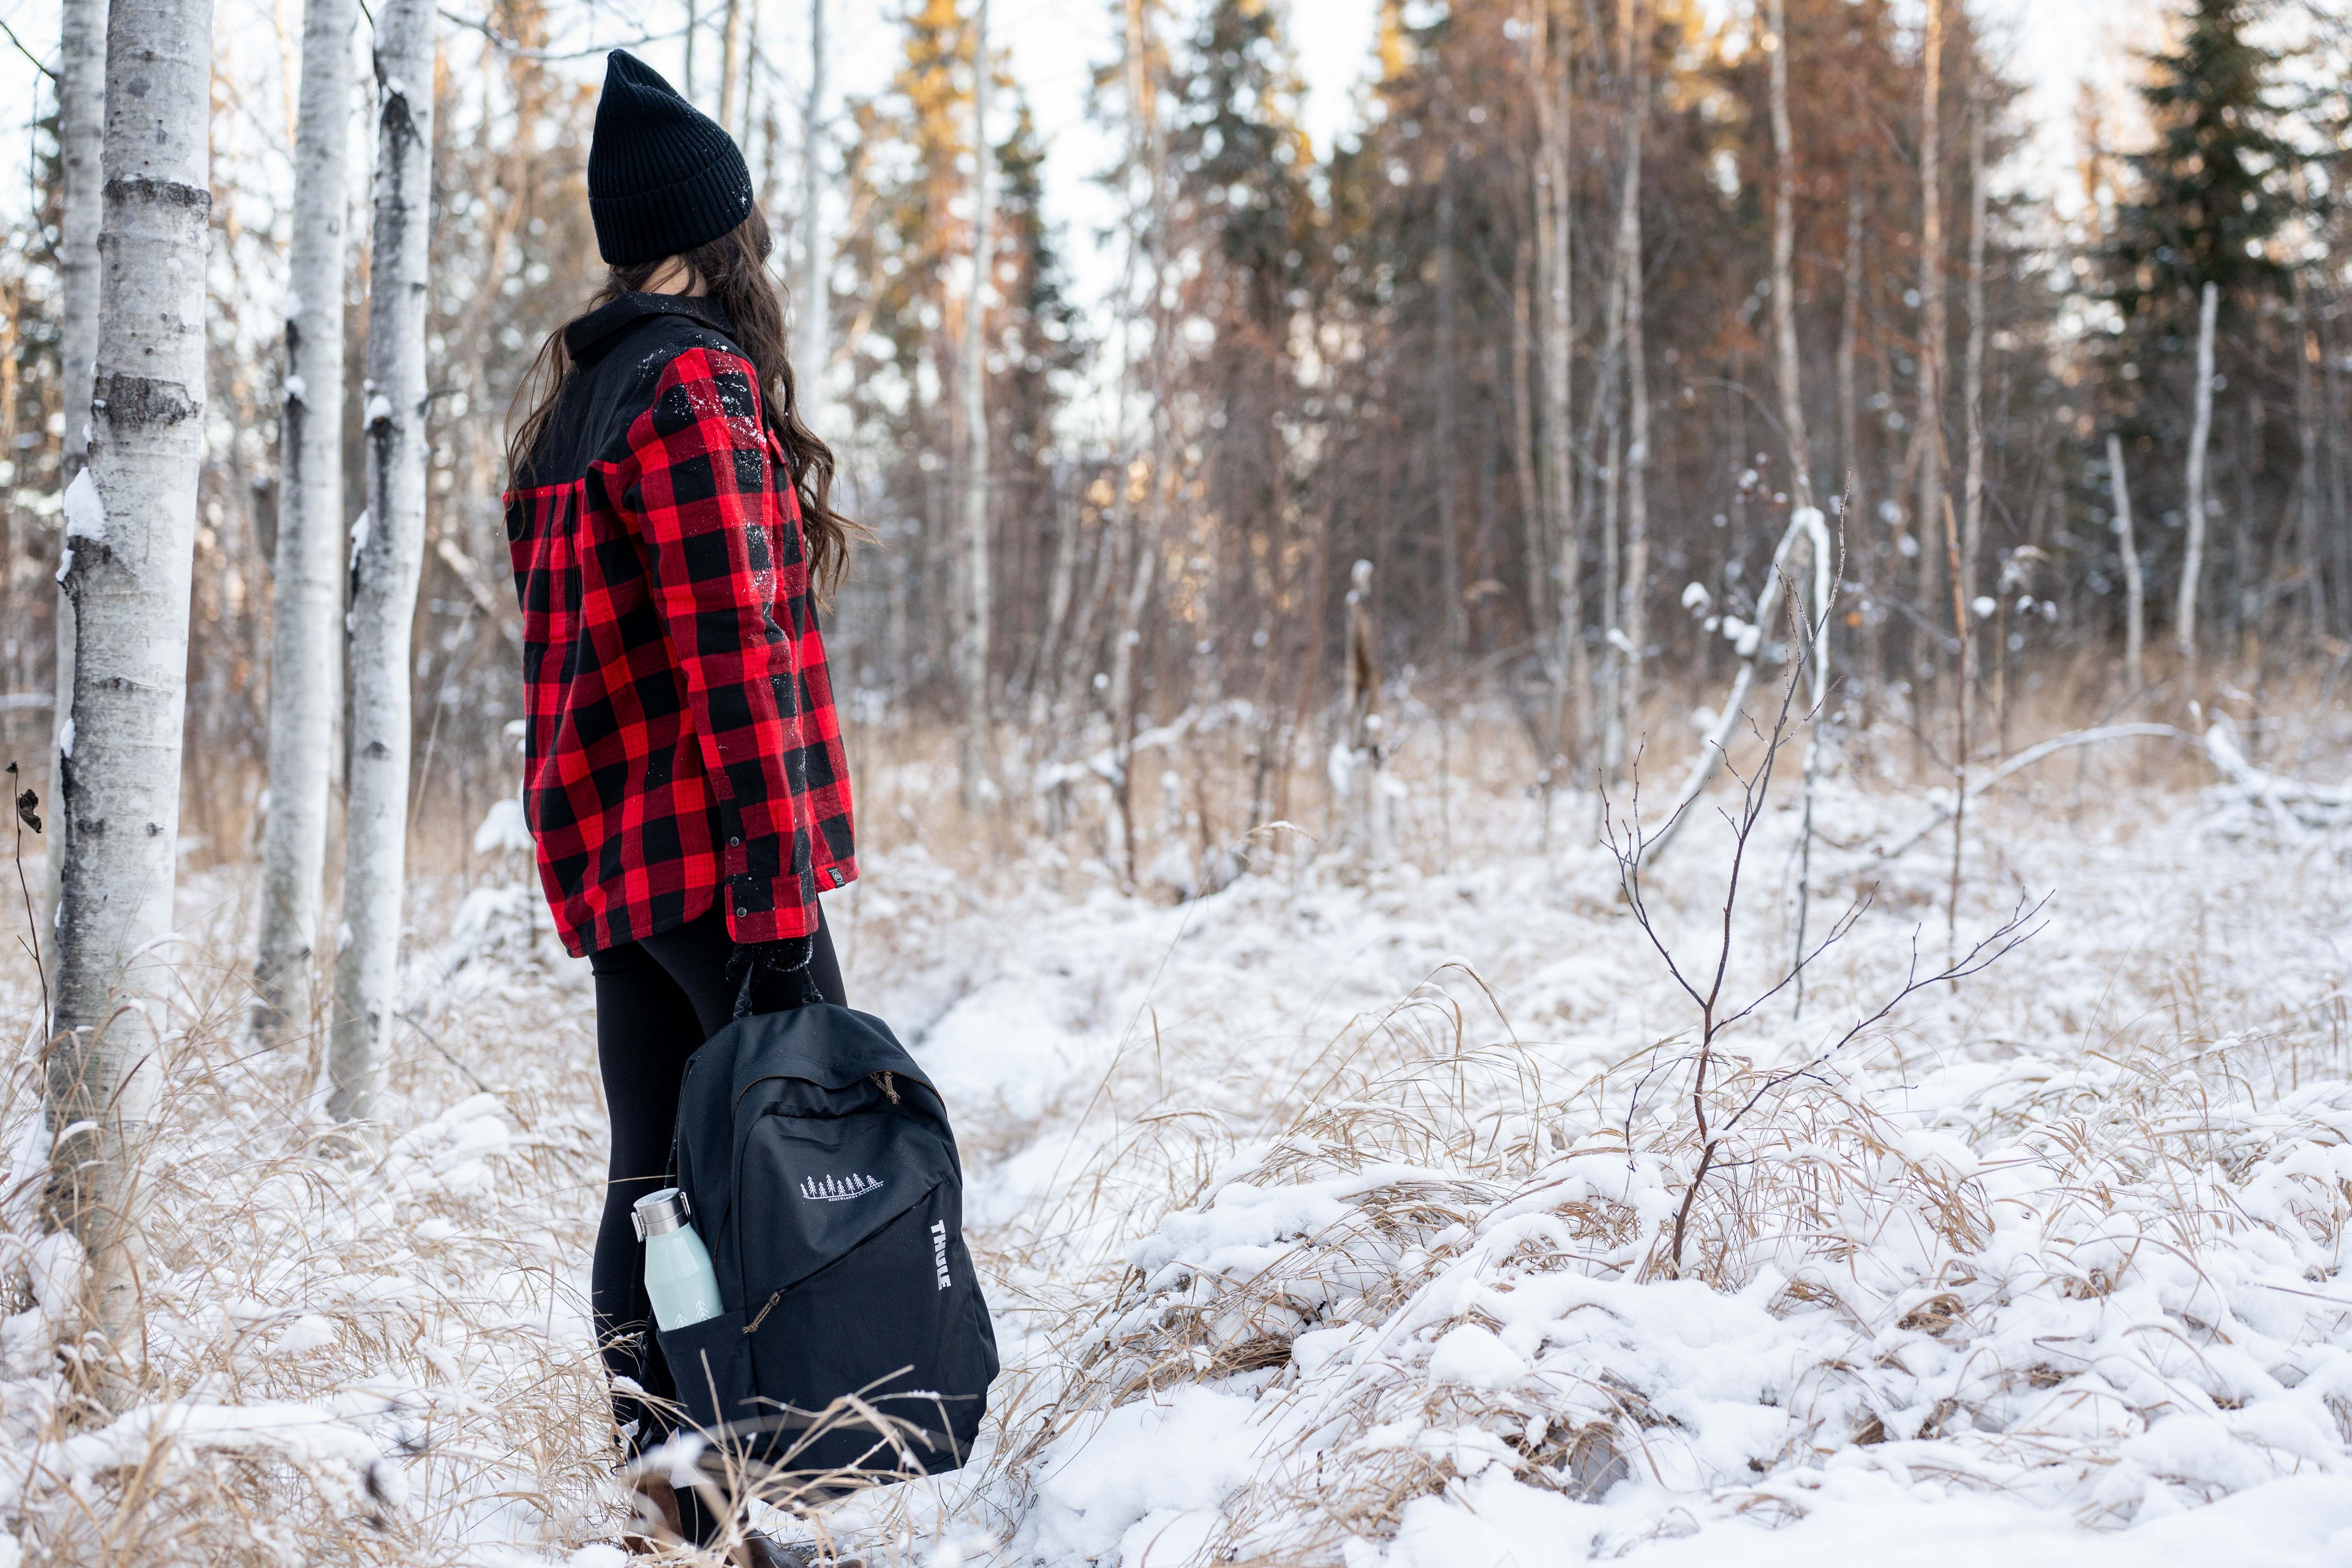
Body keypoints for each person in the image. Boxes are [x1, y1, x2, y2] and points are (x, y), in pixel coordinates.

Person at [502, 50, 859, 1557]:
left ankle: (671, 1505)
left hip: (618, 877)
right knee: (807, 1180)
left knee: (654, 1180)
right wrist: (781, 913)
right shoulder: (693, 385)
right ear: (718, 231)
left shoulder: (573, 405)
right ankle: (775, 1498)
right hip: (723, 870)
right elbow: (737, 667)